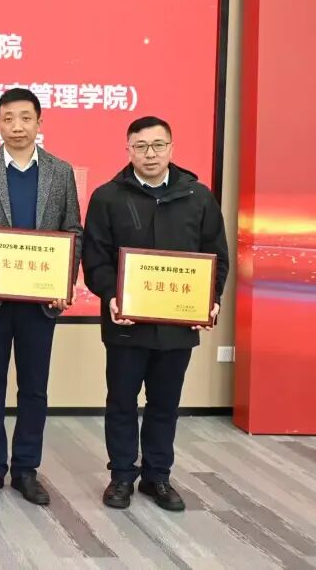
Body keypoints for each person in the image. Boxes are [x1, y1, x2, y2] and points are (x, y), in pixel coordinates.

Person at [82, 116, 229, 512]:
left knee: (165, 404)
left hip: (177, 324)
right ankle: (121, 476)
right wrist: (111, 295)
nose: (150, 153)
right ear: (128, 150)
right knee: (122, 402)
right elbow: (95, 258)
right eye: (141, 146)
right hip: (126, 323)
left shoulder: (198, 196)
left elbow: (216, 256)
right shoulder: (107, 197)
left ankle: (157, 477)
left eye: (158, 145)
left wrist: (211, 298)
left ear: (171, 148)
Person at [0, 87, 83, 506]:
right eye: (8, 119)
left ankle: (26, 469)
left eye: (26, 118)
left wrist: (64, 283)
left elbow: (73, 232)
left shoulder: (61, 172)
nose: (17, 126)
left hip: (40, 304)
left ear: (40, 122)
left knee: (34, 389)